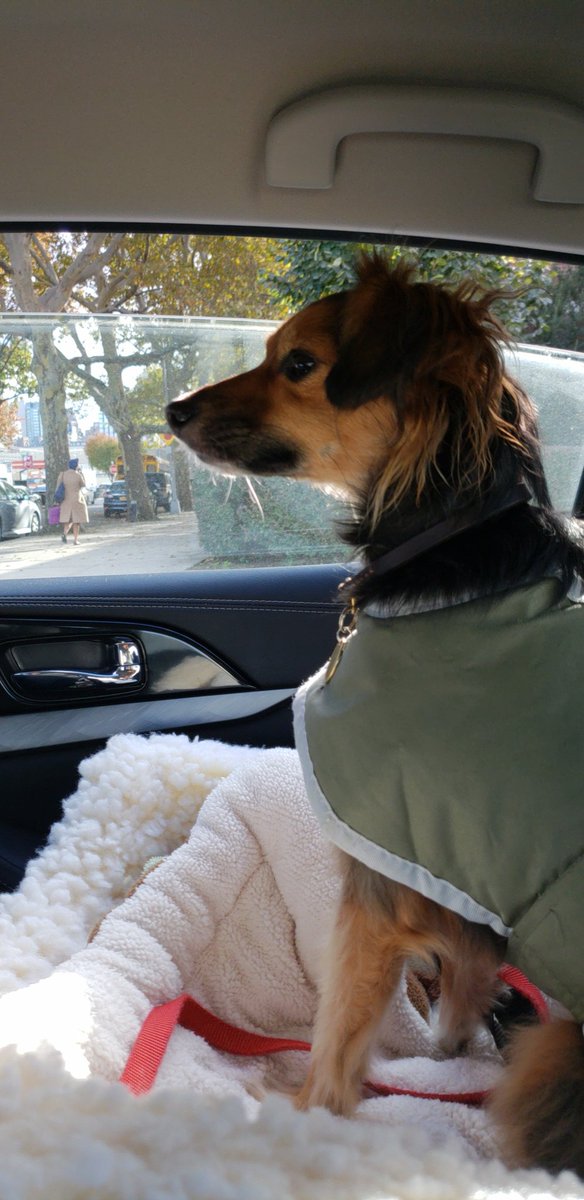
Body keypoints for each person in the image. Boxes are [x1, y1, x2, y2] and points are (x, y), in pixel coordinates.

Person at [56, 458, 89, 545]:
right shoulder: (78, 475)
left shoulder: (63, 475)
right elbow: (83, 484)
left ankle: (64, 533)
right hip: (77, 500)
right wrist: (80, 472)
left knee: (68, 520)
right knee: (76, 521)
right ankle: (75, 540)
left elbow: (58, 486)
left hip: (65, 501)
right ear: (76, 466)